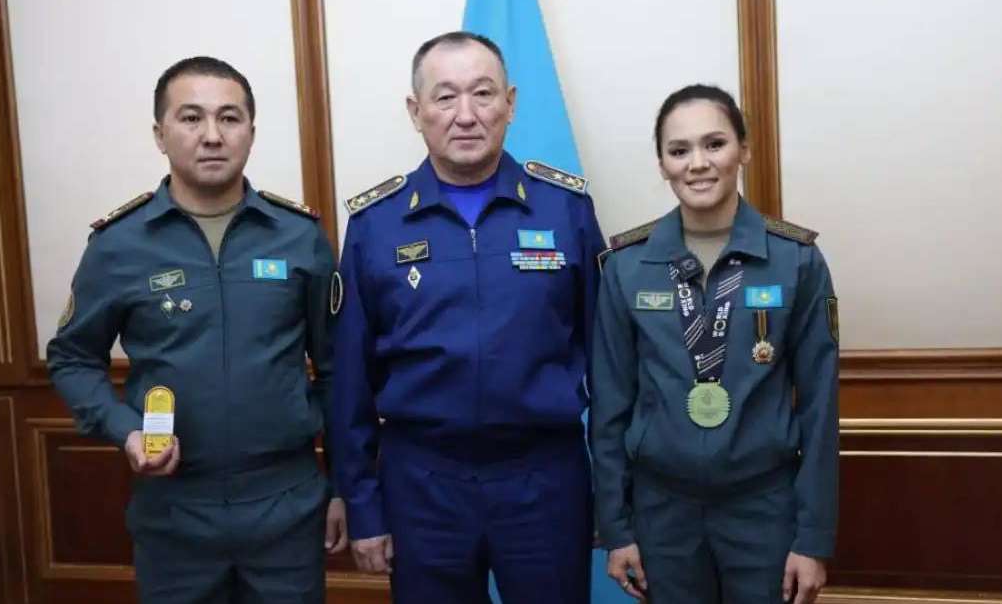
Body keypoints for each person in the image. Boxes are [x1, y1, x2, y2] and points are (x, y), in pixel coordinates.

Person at [47, 56, 347, 604]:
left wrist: (343, 487)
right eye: (191, 118)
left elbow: (336, 371)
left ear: (251, 131)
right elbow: (72, 357)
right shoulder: (118, 245)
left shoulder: (299, 237)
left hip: (286, 505)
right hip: (174, 509)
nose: (212, 135)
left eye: (229, 118)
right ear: (160, 134)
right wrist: (126, 430)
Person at [331, 31, 605, 604]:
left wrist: (615, 496)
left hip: (543, 480)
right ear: (416, 111)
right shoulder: (375, 225)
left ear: (510, 103)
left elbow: (609, 366)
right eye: (445, 97)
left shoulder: (565, 210)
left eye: (483, 94)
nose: (465, 115)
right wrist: (362, 504)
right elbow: (349, 381)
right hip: (422, 484)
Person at [590, 84, 839, 603]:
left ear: (743, 150)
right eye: (679, 150)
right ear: (662, 164)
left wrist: (813, 538)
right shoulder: (627, 266)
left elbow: (820, 408)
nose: (698, 164)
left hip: (764, 510)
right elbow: (610, 407)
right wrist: (616, 528)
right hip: (662, 515)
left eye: (715, 144)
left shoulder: (795, 260)